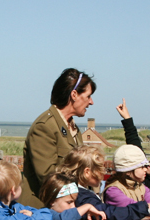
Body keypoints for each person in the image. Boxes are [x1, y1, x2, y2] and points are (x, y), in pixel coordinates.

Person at [19, 68, 96, 208]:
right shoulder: (44, 127)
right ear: (74, 94)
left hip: (65, 208)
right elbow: (47, 177)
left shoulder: (73, 128)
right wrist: (82, 195)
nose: (91, 102)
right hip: (40, 210)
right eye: (88, 96)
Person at [57, 145, 150, 220]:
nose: (103, 172)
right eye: (100, 168)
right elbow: (107, 212)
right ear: (87, 172)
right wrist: (146, 208)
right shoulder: (78, 195)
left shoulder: (74, 190)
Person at [38, 172, 108, 220]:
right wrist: (87, 206)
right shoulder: (46, 213)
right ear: (52, 201)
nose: (73, 206)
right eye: (69, 202)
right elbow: (66, 219)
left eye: (74, 202)